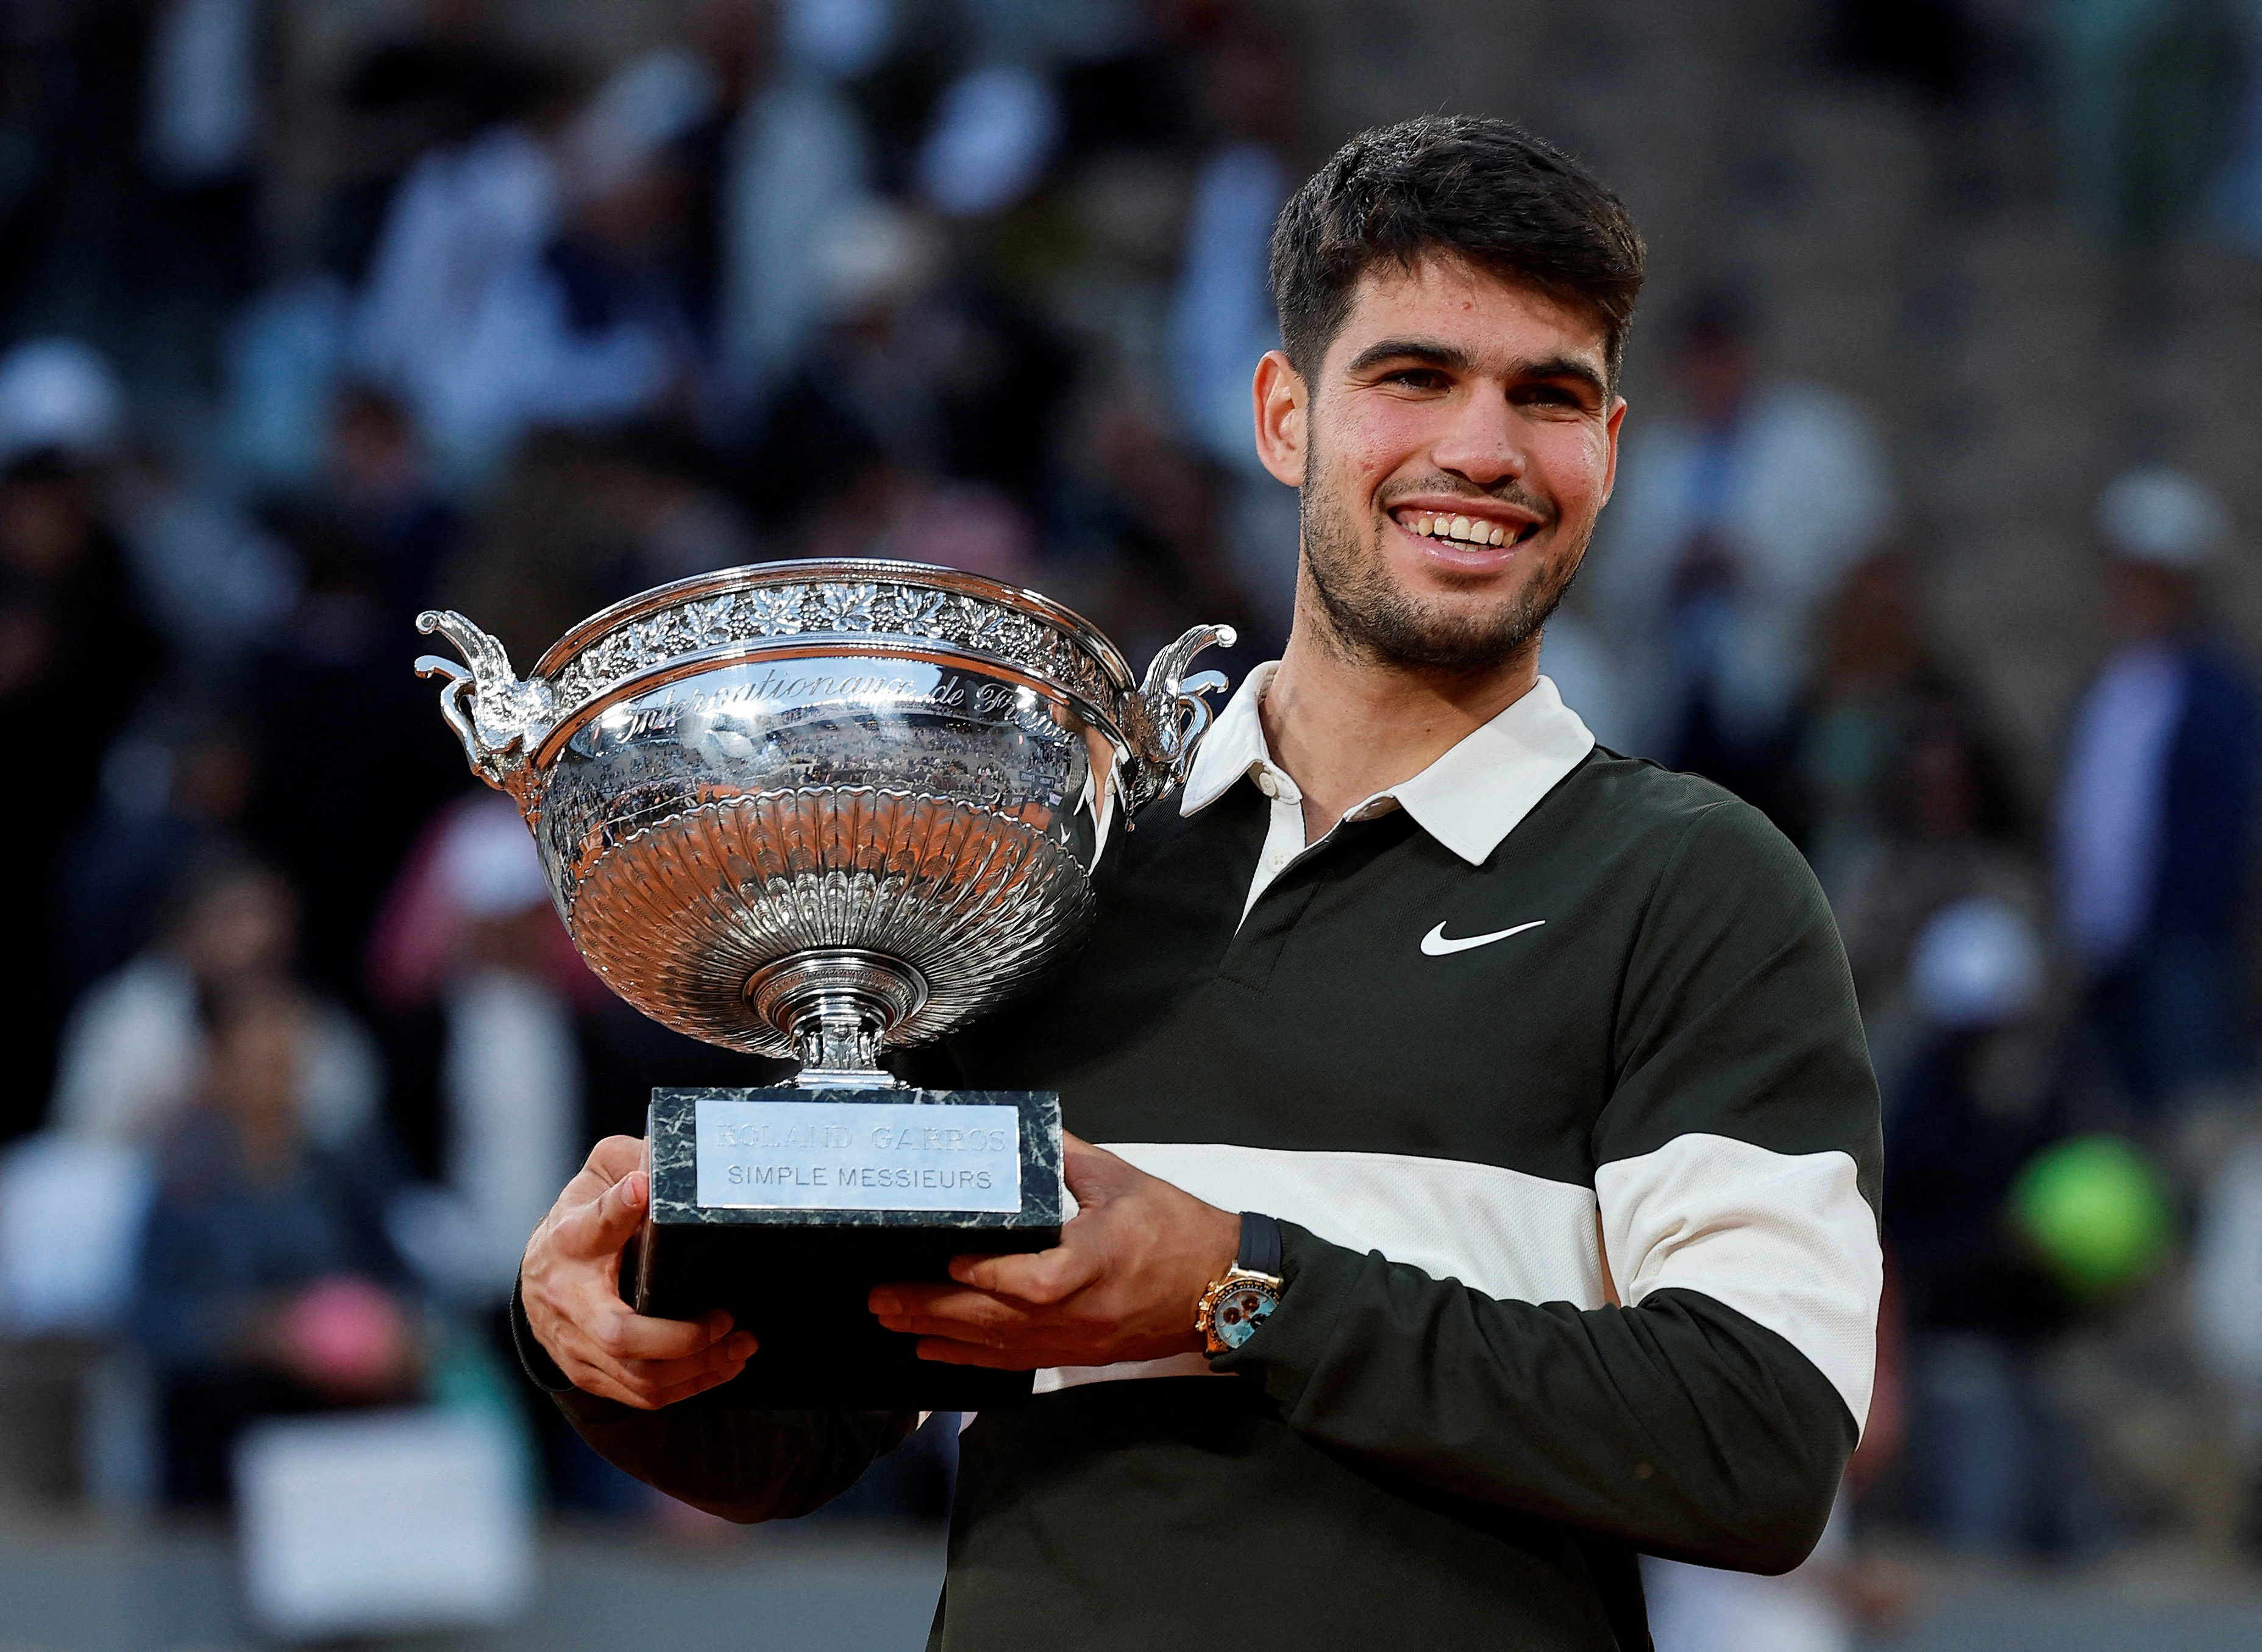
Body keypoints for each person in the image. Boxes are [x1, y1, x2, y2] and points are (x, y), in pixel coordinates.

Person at [512, 116, 1882, 1647]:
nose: (1483, 452)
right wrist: (615, 1330)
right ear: (1283, 416)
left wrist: (1242, 1293)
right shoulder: (1047, 867)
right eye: (1413, 376)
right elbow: (813, 1425)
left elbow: (1758, 1444)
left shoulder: (1694, 885)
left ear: (1609, 452)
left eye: (1545, 397)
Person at [2052, 466, 2257, 1118]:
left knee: (2188, 1110)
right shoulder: (2107, 684)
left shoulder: (2217, 694)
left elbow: (2221, 827)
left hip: (2180, 946)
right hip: (2100, 949)